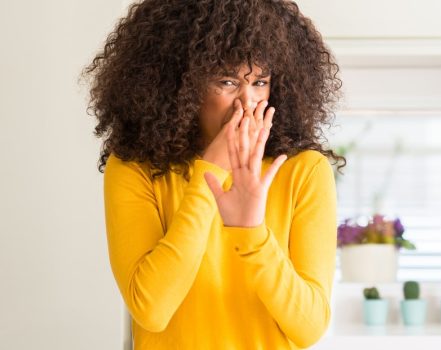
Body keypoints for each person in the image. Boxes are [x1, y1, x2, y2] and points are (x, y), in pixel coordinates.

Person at [83, 0, 344, 348]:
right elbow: (151, 309)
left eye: (260, 82)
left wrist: (251, 232)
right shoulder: (134, 167)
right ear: (181, 84)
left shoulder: (303, 170)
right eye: (227, 81)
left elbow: (309, 326)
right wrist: (210, 174)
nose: (247, 102)